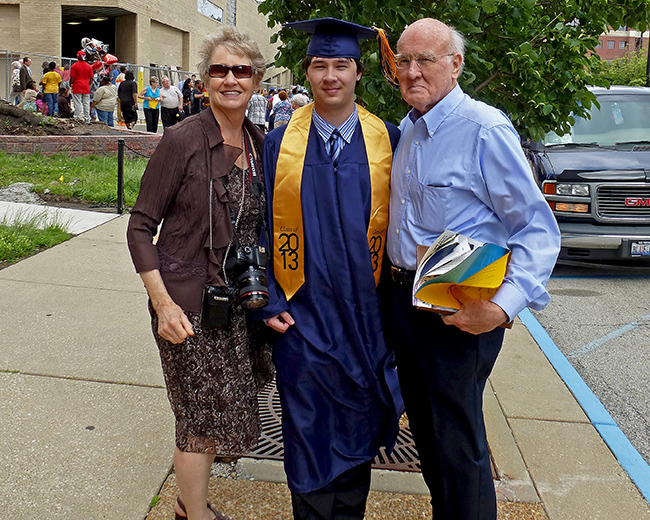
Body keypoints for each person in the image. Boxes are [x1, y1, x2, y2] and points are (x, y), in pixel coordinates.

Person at [384, 18, 561, 520]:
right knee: (427, 434)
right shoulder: (411, 132)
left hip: (462, 314)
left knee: (458, 445)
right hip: (407, 306)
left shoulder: (484, 128)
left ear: (456, 64)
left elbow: (536, 230)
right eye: (404, 60)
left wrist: (502, 308)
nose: (412, 71)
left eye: (426, 60)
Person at [127, 26, 272, 520]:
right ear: (205, 79)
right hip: (187, 306)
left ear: (256, 80)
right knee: (199, 419)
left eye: (240, 70)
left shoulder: (259, 143)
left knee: (217, 414)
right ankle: (194, 514)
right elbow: (140, 227)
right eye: (219, 70)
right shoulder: (183, 139)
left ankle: (191, 506)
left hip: (236, 308)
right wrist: (162, 304)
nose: (230, 79)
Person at [260, 18, 402, 520]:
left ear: (359, 72)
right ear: (307, 72)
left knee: (360, 427)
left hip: (367, 320)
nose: (330, 76)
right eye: (320, 65)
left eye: (341, 64)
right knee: (307, 429)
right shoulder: (280, 144)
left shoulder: (387, 139)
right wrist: (270, 300)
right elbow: (260, 228)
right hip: (303, 317)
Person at [69, 51, 94, 122]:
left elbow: (72, 77)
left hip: (77, 85)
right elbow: (92, 77)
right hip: (86, 86)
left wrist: (71, 84)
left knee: (77, 102)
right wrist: (88, 84)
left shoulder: (74, 66)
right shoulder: (89, 66)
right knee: (86, 103)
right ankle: (87, 117)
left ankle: (78, 117)